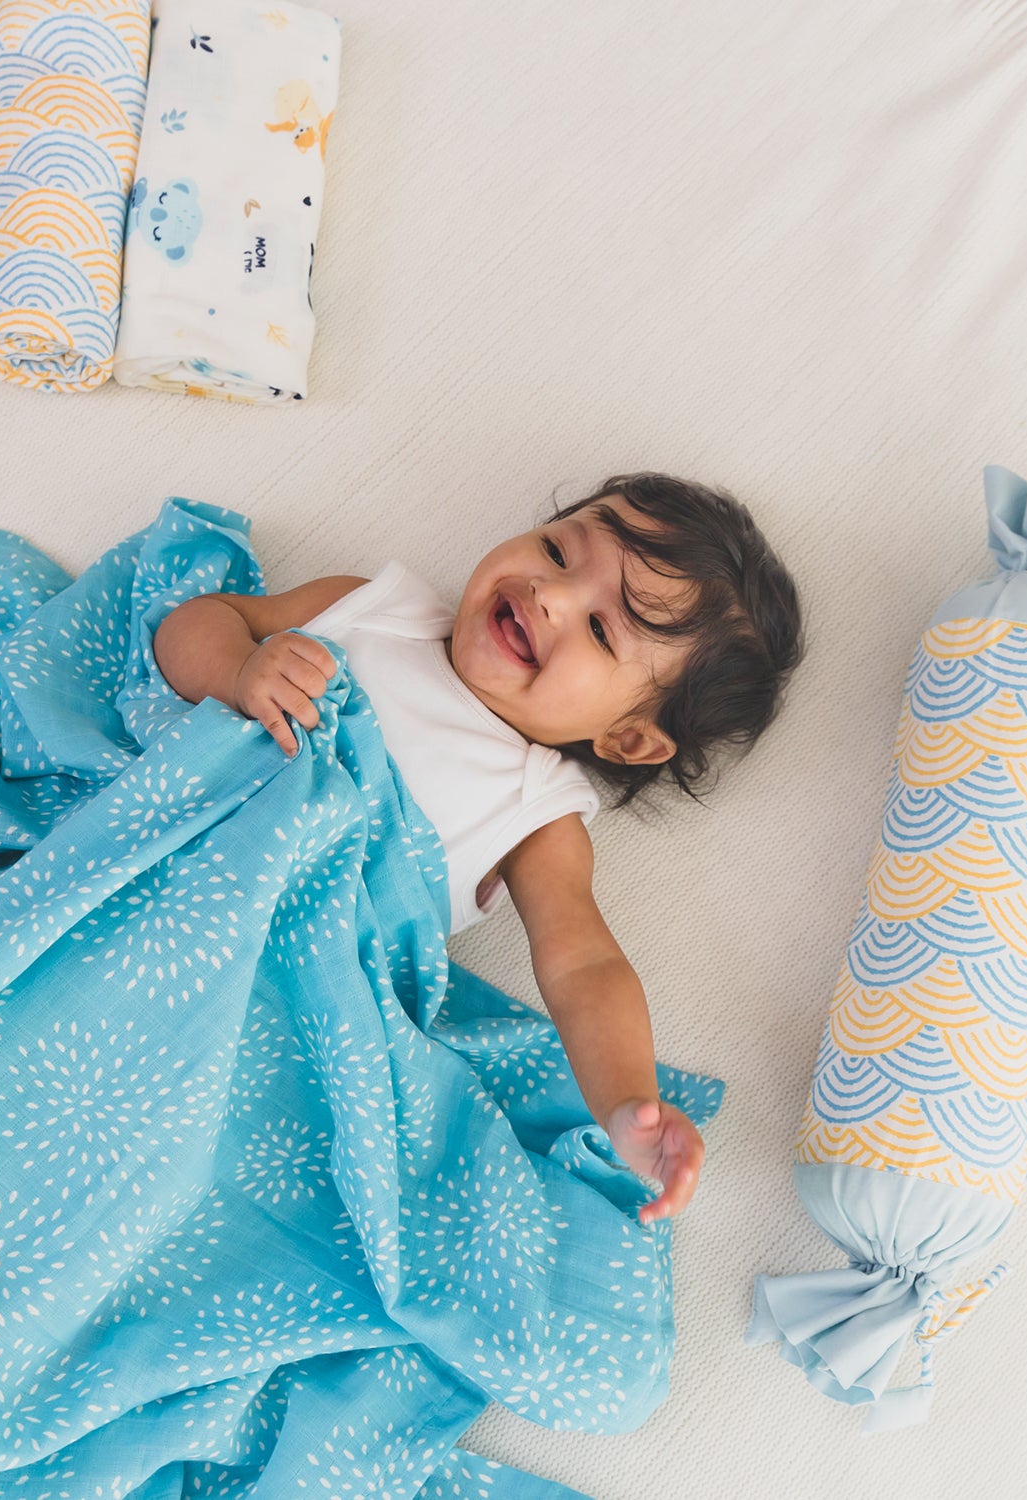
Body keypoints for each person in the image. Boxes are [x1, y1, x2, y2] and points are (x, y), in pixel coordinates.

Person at [154, 471, 805, 1225]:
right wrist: (238, 670)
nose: (551, 595)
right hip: (176, 858)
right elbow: (195, 625)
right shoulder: (371, 608)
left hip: (282, 990)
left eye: (601, 631)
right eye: (559, 551)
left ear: (627, 738)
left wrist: (628, 1103)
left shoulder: (536, 810)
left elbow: (584, 964)